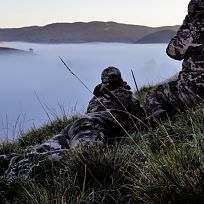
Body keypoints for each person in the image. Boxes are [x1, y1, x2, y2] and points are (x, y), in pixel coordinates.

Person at [0, 67, 146, 180]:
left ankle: (7, 160)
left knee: (37, 152)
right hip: (93, 126)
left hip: (73, 127)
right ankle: (26, 164)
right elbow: (141, 117)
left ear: (104, 81)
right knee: (82, 157)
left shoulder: (96, 98)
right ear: (120, 79)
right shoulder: (126, 95)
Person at [145, 0, 204, 121]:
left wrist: (184, 26)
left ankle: (163, 120)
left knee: (154, 94)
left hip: (194, 93)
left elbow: (171, 52)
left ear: (190, 13)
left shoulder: (189, 34)